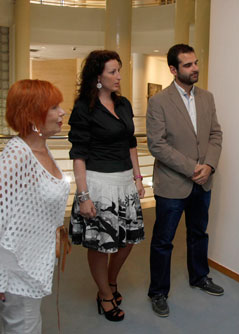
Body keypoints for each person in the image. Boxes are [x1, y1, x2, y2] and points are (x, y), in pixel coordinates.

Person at [146, 44, 223, 317]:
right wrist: (193, 167)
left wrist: (210, 165)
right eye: (188, 65)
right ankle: (158, 292)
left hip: (203, 183)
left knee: (198, 233)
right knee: (163, 240)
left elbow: (215, 135)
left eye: (196, 63)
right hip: (172, 184)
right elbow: (157, 145)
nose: (195, 68)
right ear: (173, 69)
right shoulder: (158, 102)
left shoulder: (207, 98)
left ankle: (199, 277)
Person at [68, 50, 145, 322]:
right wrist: (83, 195)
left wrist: (138, 178)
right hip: (99, 185)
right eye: (112, 72)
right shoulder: (84, 109)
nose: (118, 77)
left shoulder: (123, 104)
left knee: (128, 240)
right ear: (97, 76)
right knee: (101, 245)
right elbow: (78, 154)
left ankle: (111, 281)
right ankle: (104, 294)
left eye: (119, 71)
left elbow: (131, 143)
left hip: (125, 183)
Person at [0, 80, 69, 333]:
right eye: (53, 107)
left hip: (34, 259)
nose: (62, 112)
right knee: (25, 325)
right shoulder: (17, 156)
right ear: (31, 115)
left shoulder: (41, 148)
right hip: (18, 268)